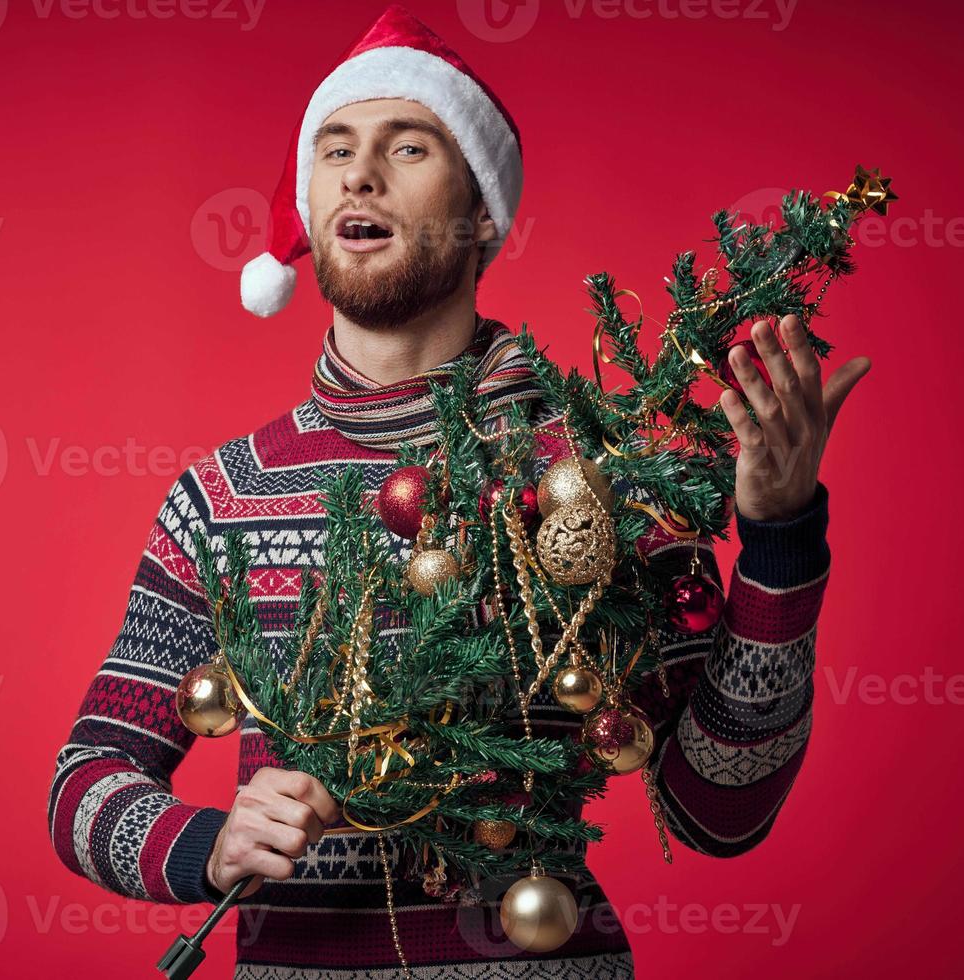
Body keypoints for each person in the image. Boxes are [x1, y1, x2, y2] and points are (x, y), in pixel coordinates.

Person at [47, 5, 868, 976]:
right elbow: (86, 778)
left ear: (484, 211)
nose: (360, 172)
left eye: (407, 145)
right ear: (310, 208)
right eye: (336, 148)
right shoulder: (223, 493)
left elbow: (719, 807)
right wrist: (206, 844)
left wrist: (780, 542)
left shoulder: (591, 475)